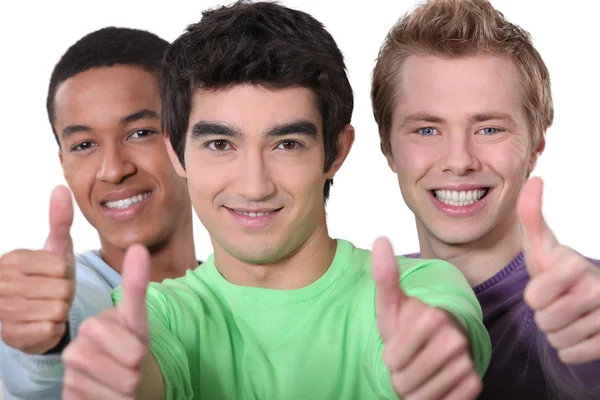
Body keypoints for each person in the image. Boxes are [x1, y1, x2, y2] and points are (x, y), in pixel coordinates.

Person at [60, 2, 492, 399]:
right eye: (219, 144)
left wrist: (429, 354)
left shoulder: (421, 287)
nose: (254, 186)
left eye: (286, 144)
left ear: (335, 152)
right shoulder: (155, 315)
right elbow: (144, 371)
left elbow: (441, 330)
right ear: (177, 153)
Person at [371, 0, 600, 399]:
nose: (459, 161)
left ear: (535, 145)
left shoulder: (582, 299)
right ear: (388, 147)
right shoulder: (357, 299)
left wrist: (588, 353)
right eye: (427, 130)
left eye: (490, 129)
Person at [0, 27, 199, 399]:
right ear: (64, 163)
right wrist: (47, 342)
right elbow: (52, 356)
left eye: (140, 133)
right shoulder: (78, 293)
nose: (112, 169)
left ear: (192, 139)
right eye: (85, 144)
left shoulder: (241, 291)